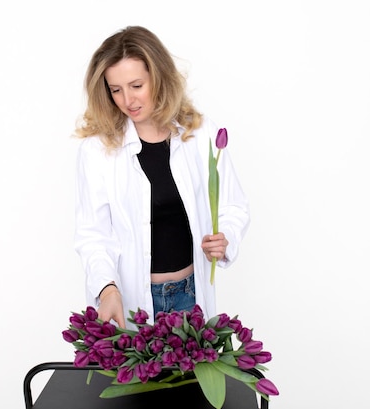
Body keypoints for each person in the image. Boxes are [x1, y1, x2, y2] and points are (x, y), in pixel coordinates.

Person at [73, 26, 250, 328]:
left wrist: (226, 238)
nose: (128, 100)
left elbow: (233, 207)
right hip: (133, 303)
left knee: (194, 378)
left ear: (159, 77)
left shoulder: (201, 133)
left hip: (191, 297)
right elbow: (93, 236)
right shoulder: (97, 150)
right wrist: (107, 289)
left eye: (136, 85)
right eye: (116, 90)